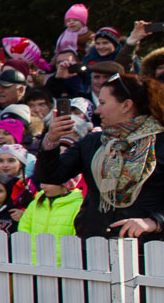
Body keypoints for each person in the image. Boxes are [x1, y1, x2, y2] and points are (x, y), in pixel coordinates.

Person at [35, 73, 164, 241]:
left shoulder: (160, 142)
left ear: (126, 105)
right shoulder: (93, 142)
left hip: (147, 247)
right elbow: (51, 175)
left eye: (103, 103)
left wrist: (155, 221)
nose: (97, 110)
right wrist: (51, 140)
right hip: (95, 242)